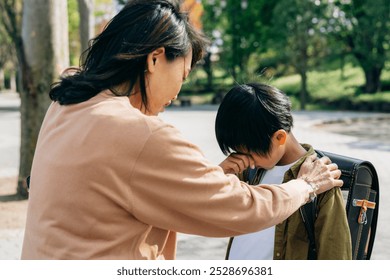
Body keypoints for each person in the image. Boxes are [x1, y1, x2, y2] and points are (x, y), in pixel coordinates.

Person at [21, 0, 342, 260]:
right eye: (183, 73)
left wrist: (201, 182)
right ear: (156, 59)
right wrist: (306, 186)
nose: (178, 91)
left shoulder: (67, 104)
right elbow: (241, 209)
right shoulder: (142, 134)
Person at [215, 83, 352, 260]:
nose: (243, 159)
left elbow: (336, 257)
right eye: (237, 151)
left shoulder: (321, 180)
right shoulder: (247, 172)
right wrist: (219, 175)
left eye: (248, 152)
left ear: (279, 137)